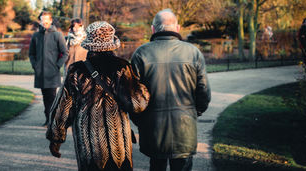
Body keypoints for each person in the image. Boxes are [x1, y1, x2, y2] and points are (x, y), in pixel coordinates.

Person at [46, 21, 150, 171]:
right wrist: (143, 89)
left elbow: (63, 107)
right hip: (118, 145)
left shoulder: (76, 70)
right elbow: (137, 104)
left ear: (89, 44)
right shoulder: (122, 68)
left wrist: (56, 138)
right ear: (112, 43)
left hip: (89, 145)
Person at [130, 9, 211, 171]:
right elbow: (204, 92)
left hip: (153, 128)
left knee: (156, 165)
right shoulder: (193, 53)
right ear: (178, 28)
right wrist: (195, 112)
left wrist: (141, 121)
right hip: (184, 125)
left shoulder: (141, 53)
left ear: (153, 29)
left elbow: (133, 96)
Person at [29, 11, 67, 126]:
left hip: (52, 73)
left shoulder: (57, 35)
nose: (44, 22)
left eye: (46, 19)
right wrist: (35, 65)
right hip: (40, 73)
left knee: (53, 98)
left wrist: (57, 66)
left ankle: (53, 121)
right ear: (40, 21)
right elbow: (31, 54)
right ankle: (48, 119)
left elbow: (65, 53)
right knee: (45, 98)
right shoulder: (36, 36)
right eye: (42, 19)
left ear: (50, 20)